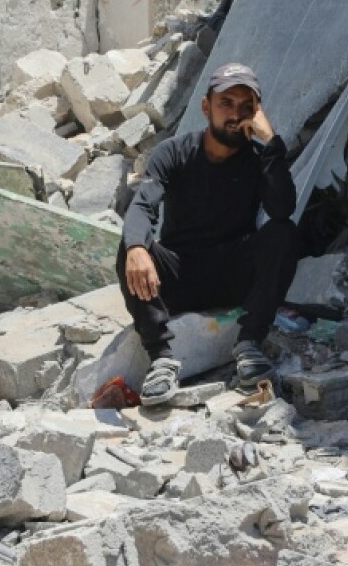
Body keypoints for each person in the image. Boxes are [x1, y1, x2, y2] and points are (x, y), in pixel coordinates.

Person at [118, 62, 302, 405]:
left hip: (233, 277)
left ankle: (249, 345)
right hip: (179, 276)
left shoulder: (258, 159)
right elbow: (142, 205)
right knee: (131, 245)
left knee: (283, 233)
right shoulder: (173, 153)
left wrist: (271, 142)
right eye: (226, 103)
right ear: (206, 107)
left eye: (246, 106)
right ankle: (161, 359)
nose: (235, 114)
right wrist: (137, 249)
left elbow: (282, 209)